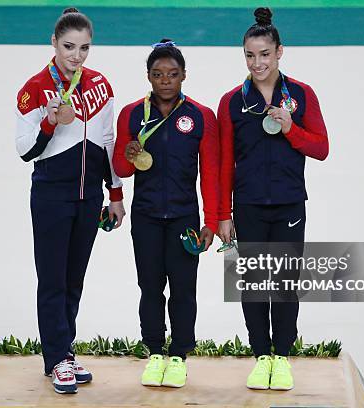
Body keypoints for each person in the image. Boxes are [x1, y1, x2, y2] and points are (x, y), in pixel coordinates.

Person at [216, 7, 329, 391]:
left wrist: (291, 129)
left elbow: (322, 148)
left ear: (280, 52)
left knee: (283, 282)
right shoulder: (232, 101)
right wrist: (222, 214)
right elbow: (224, 163)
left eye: (264, 54)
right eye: (250, 55)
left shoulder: (301, 94)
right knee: (252, 282)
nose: (257, 62)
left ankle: (281, 357)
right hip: (247, 206)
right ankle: (260, 355)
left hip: (289, 203)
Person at [15, 7, 125, 394]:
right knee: (52, 281)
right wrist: (49, 122)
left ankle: (62, 352)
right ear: (54, 43)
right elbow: (24, 150)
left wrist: (114, 194)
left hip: (87, 198)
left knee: (73, 280)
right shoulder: (34, 88)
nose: (76, 56)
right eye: (69, 47)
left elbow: (109, 141)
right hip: (50, 198)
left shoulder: (100, 84)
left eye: (84, 48)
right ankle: (57, 358)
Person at [112, 39, 219, 388]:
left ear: (184, 75)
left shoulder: (200, 116)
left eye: (173, 74)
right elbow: (121, 170)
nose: (165, 81)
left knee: (184, 289)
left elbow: (211, 173)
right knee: (150, 287)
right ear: (148, 76)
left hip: (185, 219)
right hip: (145, 217)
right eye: (158, 74)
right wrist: (128, 154)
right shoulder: (132, 114)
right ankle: (155, 351)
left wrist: (211, 221)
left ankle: (179, 356)